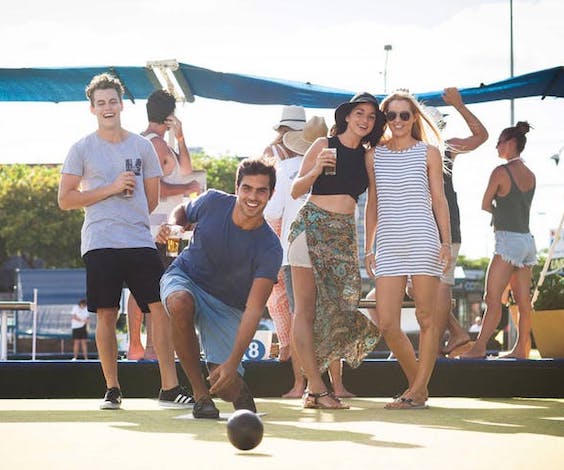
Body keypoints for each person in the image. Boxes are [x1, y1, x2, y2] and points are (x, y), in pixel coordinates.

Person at [58, 73, 194, 410]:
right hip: (100, 240)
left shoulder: (142, 146)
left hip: (138, 239)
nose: (108, 107)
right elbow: (65, 199)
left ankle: (169, 386)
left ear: (121, 104)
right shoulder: (81, 148)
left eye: (113, 101)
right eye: (101, 102)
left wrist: (126, 200)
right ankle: (112, 389)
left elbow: (150, 201)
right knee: (106, 313)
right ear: (92, 108)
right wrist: (112, 188)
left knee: (159, 309)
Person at [159, 158, 283, 419]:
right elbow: (182, 211)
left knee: (227, 387)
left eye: (261, 191)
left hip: (227, 305)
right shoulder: (213, 201)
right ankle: (200, 396)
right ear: (236, 188)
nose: (253, 196)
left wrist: (232, 362)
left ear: (271, 194)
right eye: (247, 188)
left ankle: (242, 396)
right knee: (180, 302)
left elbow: (254, 310)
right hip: (186, 277)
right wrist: (176, 226)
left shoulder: (270, 248)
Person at [288, 93, 383, 410]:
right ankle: (316, 387)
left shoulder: (369, 156)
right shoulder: (323, 145)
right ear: (346, 116)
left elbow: (372, 207)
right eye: (360, 113)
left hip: (343, 238)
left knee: (340, 310)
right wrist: (316, 170)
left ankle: (317, 388)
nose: (364, 120)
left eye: (371, 116)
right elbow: (295, 190)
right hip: (310, 228)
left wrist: (369, 247)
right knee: (306, 310)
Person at [364, 90, 452, 409]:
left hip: (423, 239)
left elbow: (439, 200)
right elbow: (373, 202)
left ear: (414, 118)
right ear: (384, 119)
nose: (398, 121)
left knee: (426, 317)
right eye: (392, 115)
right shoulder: (373, 155)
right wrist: (368, 246)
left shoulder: (429, 152)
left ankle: (415, 391)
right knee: (387, 322)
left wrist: (446, 241)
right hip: (387, 244)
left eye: (404, 115)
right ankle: (420, 387)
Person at [265, 116, 355, 399]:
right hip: (330, 246)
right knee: (333, 314)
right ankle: (337, 385)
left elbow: (272, 214)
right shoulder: (340, 163)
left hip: (295, 248)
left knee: (299, 317)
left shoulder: (284, 169)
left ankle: (299, 385)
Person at [127, 89, 200, 361]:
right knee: (146, 286)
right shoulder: (153, 144)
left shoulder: (152, 141)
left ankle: (145, 346)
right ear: (170, 115)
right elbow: (154, 186)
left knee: (153, 285)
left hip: (163, 228)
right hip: (155, 227)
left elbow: (185, 169)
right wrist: (187, 187)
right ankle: (141, 346)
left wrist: (180, 137)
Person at [460, 122, 536, 359]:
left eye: (500, 142)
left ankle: (478, 347)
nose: (496, 146)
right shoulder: (531, 175)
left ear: (511, 143)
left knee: (491, 298)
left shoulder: (501, 172)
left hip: (507, 240)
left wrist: (497, 212)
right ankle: (522, 349)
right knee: (523, 302)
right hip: (527, 241)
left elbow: (485, 204)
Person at [426, 88, 489, 356]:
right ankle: (450, 336)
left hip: (443, 228)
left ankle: (438, 346)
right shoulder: (424, 149)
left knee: (438, 287)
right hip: (433, 228)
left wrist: (460, 105)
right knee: (421, 287)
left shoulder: (445, 148)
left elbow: (481, 137)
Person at [263, 105, 305, 363]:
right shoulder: (313, 154)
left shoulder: (272, 152)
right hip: (299, 229)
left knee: (277, 296)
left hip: (274, 228)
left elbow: (270, 204)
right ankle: (295, 351)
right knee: (298, 300)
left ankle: (288, 348)